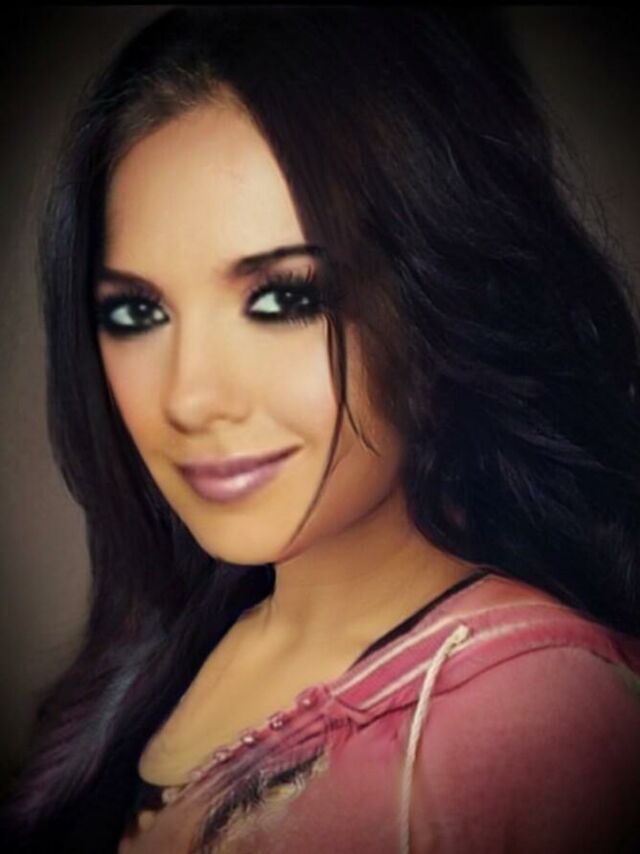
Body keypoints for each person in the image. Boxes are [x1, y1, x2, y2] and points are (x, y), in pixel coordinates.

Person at [2, 6, 640, 852]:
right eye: (137, 312)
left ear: (441, 295)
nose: (190, 397)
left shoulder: (537, 718)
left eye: (285, 299)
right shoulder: (169, 649)